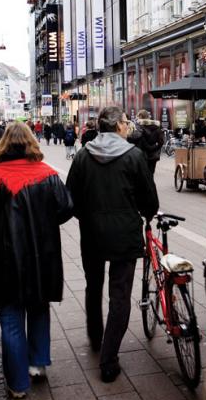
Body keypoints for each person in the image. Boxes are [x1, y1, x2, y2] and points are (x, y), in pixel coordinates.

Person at [0, 123, 73, 399]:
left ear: (3, 145)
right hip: (42, 258)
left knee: (11, 318)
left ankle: (18, 383)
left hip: (4, 262)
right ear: (32, 144)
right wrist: (44, 218)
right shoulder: (48, 175)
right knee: (38, 309)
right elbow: (67, 208)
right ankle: (37, 363)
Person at [66, 106, 159, 382]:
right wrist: (144, 213)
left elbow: (71, 197)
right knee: (120, 295)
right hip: (125, 233)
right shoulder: (134, 156)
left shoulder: (83, 156)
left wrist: (88, 216)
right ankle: (109, 359)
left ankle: (96, 337)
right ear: (118, 126)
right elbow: (149, 200)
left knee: (93, 286)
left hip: (92, 233)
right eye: (126, 122)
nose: (127, 126)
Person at [127, 109, 163, 174]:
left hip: (142, 155)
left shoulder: (138, 127)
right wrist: (155, 147)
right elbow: (161, 141)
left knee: (142, 177)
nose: (136, 118)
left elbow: (137, 138)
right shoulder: (157, 126)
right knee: (151, 175)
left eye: (137, 116)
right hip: (153, 156)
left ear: (140, 116)